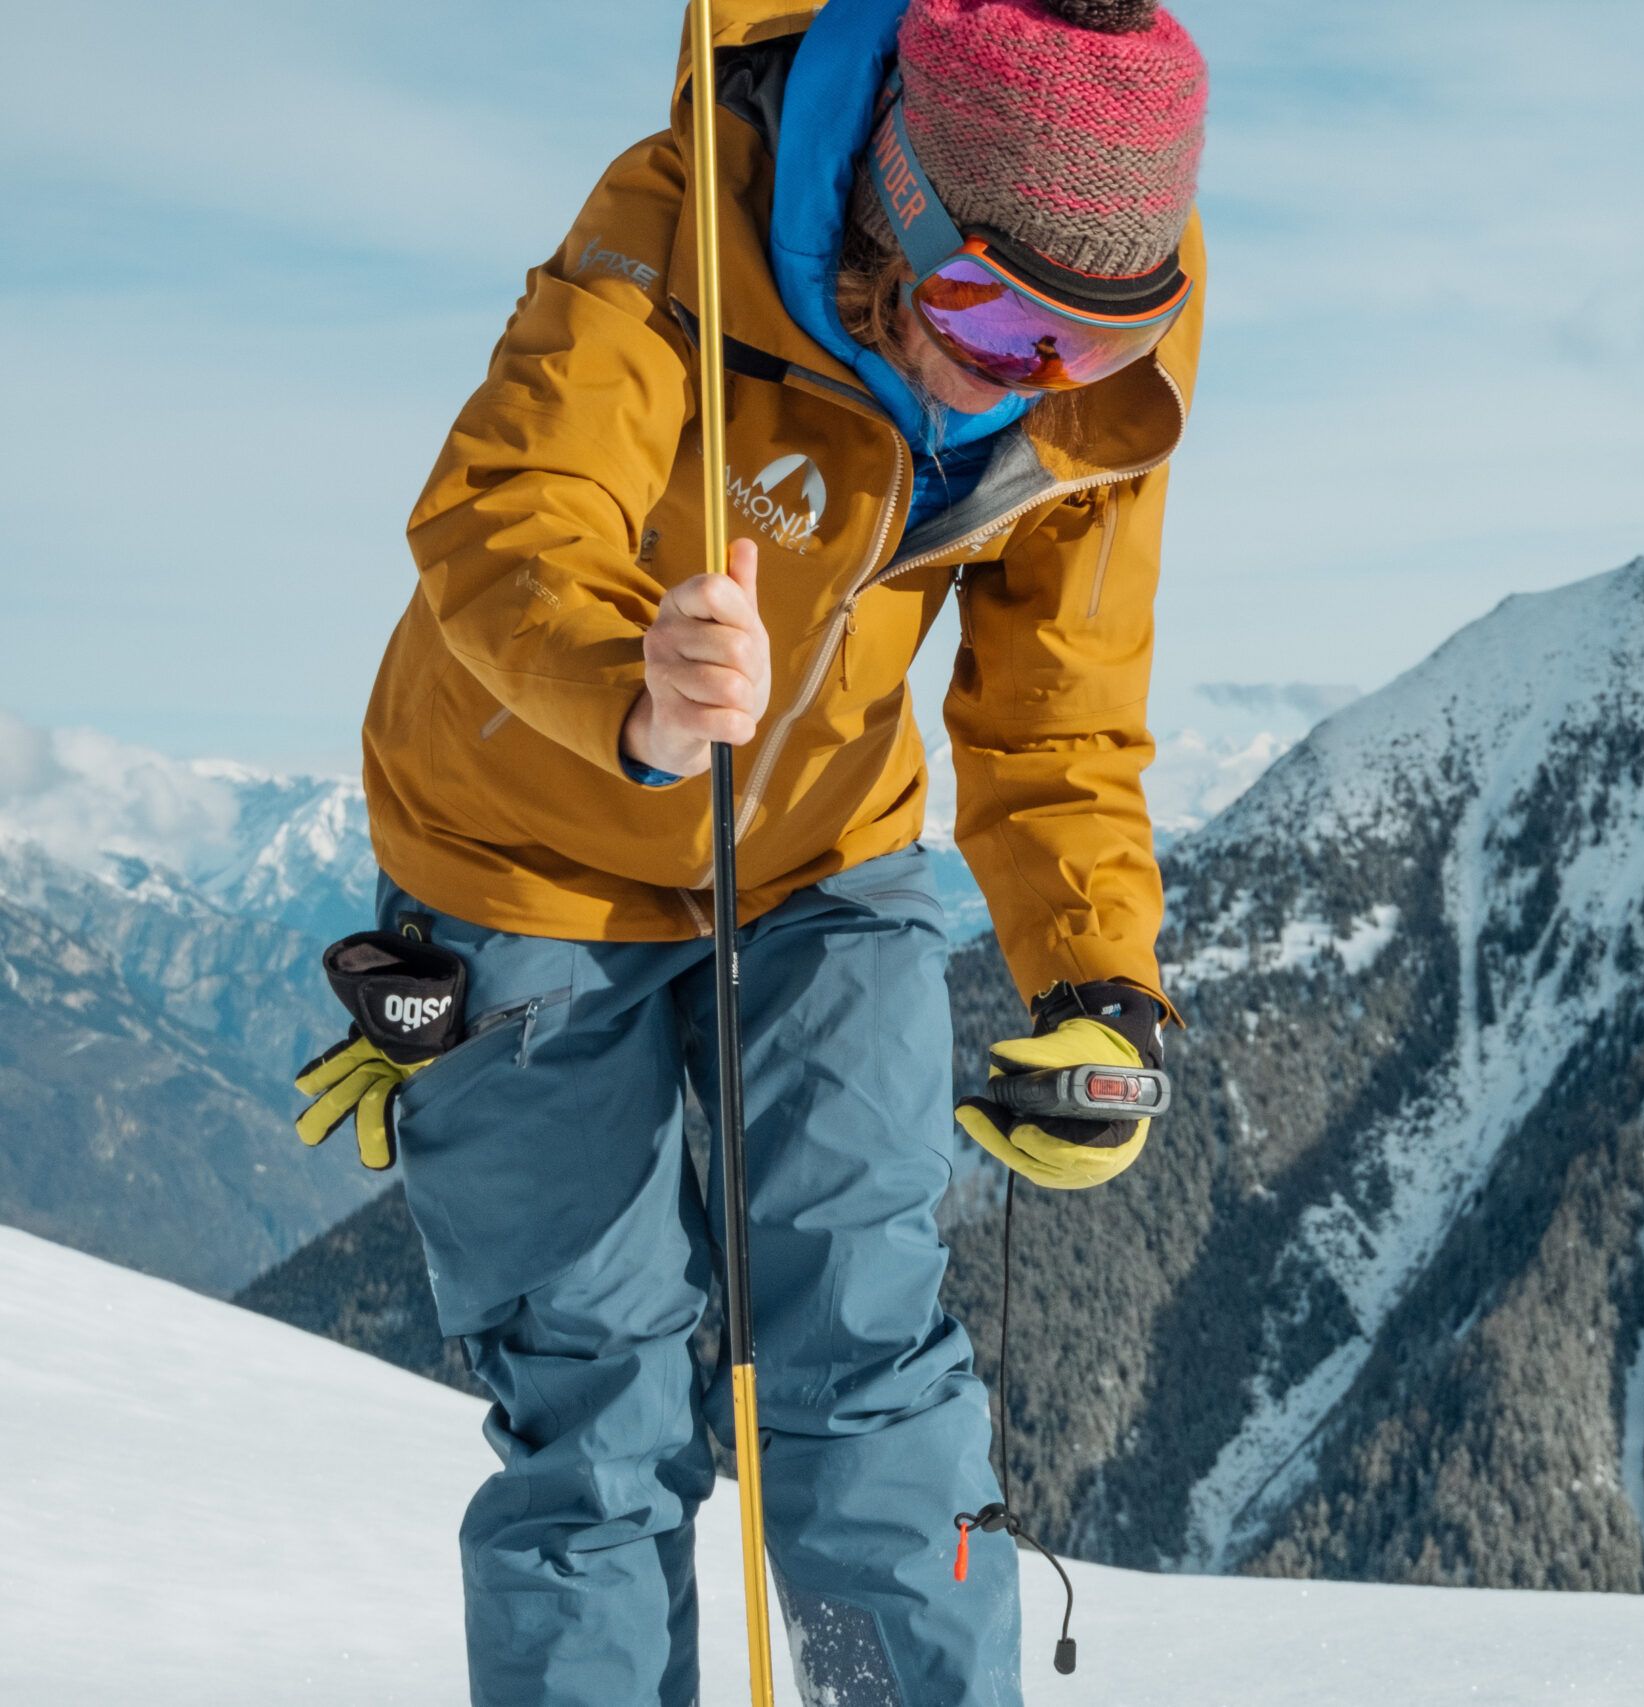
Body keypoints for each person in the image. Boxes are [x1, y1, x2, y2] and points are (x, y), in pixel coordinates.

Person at [287, 1, 1208, 1702]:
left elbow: (1058, 707)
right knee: (596, 1406)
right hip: (526, 852)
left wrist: (1105, 982)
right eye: (994, 316)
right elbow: (503, 516)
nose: (1035, 377)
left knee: (867, 1354)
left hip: (825, 856)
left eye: (1089, 347)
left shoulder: (1098, 312)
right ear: (895, 195)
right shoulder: (670, 221)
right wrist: (626, 681)